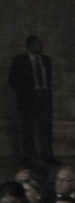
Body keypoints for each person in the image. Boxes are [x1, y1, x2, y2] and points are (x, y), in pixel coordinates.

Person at [8, 35, 54, 164]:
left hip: (43, 96)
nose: (40, 46)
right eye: (37, 44)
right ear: (30, 45)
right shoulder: (20, 60)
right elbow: (13, 79)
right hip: (28, 98)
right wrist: (23, 93)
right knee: (28, 128)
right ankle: (28, 156)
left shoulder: (46, 60)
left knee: (46, 127)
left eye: (40, 44)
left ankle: (48, 156)